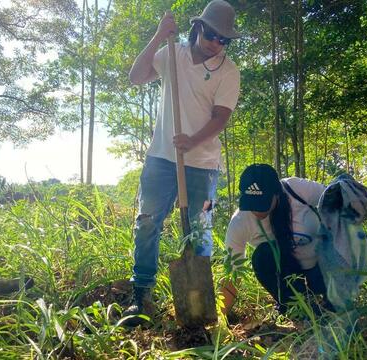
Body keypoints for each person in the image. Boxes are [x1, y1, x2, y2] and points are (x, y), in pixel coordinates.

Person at [122, 0, 241, 326]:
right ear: (199, 27)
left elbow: (220, 118)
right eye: (213, 35)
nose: (217, 44)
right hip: (161, 158)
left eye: (224, 40)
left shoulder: (228, 72)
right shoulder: (172, 53)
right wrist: (160, 35)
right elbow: (136, 77)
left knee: (200, 229)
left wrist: (192, 141)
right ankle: (141, 295)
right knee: (148, 222)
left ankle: (199, 303)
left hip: (202, 163)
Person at [221, 164, 367, 317]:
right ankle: (297, 309)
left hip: (322, 270)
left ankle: (335, 305)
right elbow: (233, 272)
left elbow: (333, 198)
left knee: (363, 243)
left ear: (277, 193)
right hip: (289, 281)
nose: (256, 210)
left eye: (263, 204)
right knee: (262, 256)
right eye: (251, 204)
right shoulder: (240, 221)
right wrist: (221, 319)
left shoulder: (296, 189)